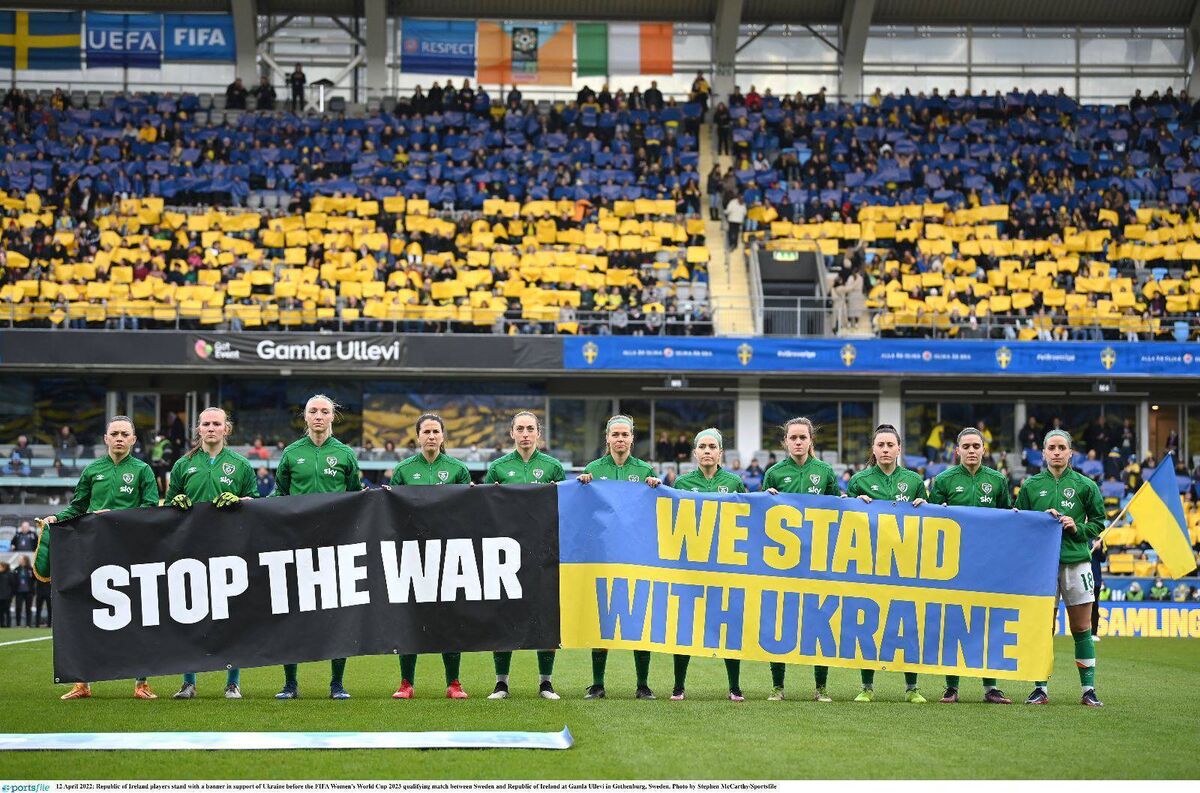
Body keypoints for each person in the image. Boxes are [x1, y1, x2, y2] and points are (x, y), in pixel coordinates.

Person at [38, 415, 160, 700]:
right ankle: (82, 683)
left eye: (124, 434)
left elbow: (151, 509)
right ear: (106, 439)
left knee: (140, 616)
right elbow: (78, 507)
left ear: (133, 440)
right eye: (114, 433)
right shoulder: (92, 470)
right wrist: (56, 518)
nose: (119, 438)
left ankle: (142, 683)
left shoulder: (143, 470)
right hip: (93, 552)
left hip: (131, 552)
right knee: (85, 614)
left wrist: (117, 517)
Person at [272, 395, 363, 700]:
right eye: (313, 411)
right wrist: (251, 505)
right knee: (292, 615)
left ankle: (337, 684)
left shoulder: (345, 454)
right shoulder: (291, 453)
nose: (319, 416)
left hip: (335, 547)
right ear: (305, 416)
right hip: (297, 546)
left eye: (325, 411)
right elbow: (279, 494)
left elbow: (356, 498)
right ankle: (290, 684)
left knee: (338, 616)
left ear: (333, 417)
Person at [165, 407, 259, 700]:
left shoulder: (241, 465)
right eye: (205, 423)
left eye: (216, 424)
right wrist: (176, 500)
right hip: (191, 550)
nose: (210, 428)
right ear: (198, 429)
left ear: (226, 429)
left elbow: (256, 504)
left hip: (230, 550)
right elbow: (167, 505)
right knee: (189, 615)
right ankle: (188, 682)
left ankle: (233, 682)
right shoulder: (183, 464)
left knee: (232, 616)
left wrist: (241, 500)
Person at [1015, 429, 1106, 707]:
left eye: (1061, 448)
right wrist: (1039, 520)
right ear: (1043, 453)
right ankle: (1039, 688)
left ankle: (1088, 690)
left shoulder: (1085, 485)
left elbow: (1098, 523)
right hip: (1041, 566)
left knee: (1081, 627)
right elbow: (1018, 521)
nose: (1056, 452)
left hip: (1076, 562)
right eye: (1052, 448)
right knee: (1044, 628)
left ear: (1070, 453)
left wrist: (1077, 528)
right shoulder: (1030, 486)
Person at [482, 410, 566, 701]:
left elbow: (565, 506)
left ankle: (546, 683)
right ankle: (501, 683)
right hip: (507, 553)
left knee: (545, 616)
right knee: (504, 615)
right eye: (520, 428)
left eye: (530, 428)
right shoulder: (498, 468)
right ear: (512, 433)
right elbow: (485, 506)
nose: (526, 433)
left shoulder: (553, 467)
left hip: (543, 552)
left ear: (538, 433)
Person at [577, 415, 662, 699]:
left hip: (635, 557)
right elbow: (584, 511)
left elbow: (654, 513)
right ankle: (597, 684)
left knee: (640, 621)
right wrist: (582, 487)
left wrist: (656, 487)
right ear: (607, 438)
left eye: (625, 434)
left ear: (632, 438)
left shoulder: (644, 470)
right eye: (615, 434)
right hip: (603, 557)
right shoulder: (593, 469)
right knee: (601, 621)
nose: (620, 439)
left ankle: (643, 685)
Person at [758, 417, 843, 701]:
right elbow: (761, 516)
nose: (797, 442)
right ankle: (777, 687)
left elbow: (838, 512)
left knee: (820, 623)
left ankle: (821, 688)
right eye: (792, 438)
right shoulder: (773, 473)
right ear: (785, 442)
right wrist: (766, 499)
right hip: (783, 563)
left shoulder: (825, 471)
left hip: (817, 561)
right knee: (779, 623)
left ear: (810, 440)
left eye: (802, 437)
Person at [927, 427, 1014, 705]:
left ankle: (992, 687)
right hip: (955, 564)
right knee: (953, 623)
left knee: (989, 623)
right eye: (966, 446)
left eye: (976, 446)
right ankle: (951, 687)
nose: (972, 451)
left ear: (984, 450)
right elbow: (931, 520)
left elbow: (1008, 521)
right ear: (957, 451)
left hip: (988, 564)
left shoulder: (998, 480)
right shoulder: (944, 480)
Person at [389, 413, 473, 700]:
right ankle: (406, 683)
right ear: (418, 436)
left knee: (449, 618)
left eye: (436, 431)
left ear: (443, 436)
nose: (431, 436)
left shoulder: (458, 470)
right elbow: (391, 512)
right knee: (409, 618)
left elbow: (468, 510)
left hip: (448, 554)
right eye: (426, 431)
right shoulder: (403, 470)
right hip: (412, 555)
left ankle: (454, 683)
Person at [847, 423, 929, 703]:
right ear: (873, 448)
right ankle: (866, 686)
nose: (885, 449)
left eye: (890, 445)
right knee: (868, 624)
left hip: (905, 564)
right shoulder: (859, 480)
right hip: (870, 562)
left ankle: (912, 687)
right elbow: (844, 518)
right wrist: (853, 504)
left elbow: (930, 522)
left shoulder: (914, 481)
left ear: (899, 449)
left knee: (908, 624)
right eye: (880, 445)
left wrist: (925, 507)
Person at [668, 428, 747, 702]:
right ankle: (678, 686)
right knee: (685, 625)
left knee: (728, 625)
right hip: (690, 567)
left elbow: (749, 516)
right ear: (694, 452)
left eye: (712, 447)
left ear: (720, 452)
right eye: (702, 447)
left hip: (725, 566)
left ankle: (734, 687)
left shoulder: (734, 482)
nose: (707, 451)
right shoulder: (682, 482)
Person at [12, 555, 33, 626]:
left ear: (25, 560)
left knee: (28, 608)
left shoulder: (30, 569)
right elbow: (13, 580)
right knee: (18, 608)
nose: (19, 561)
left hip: (28, 592)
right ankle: (18, 624)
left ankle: (28, 624)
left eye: (21, 559)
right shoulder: (16, 569)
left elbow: (34, 580)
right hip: (19, 592)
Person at [0, 561, 11, 628]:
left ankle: (8, 624)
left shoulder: (9, 574)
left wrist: (10, 594)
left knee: (7, 611)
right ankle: (2, 624)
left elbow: (13, 584)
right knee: (1, 611)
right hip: (0, 596)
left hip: (7, 596)